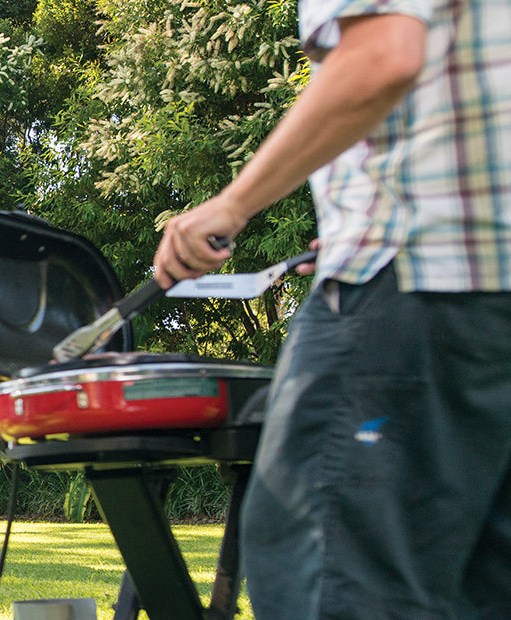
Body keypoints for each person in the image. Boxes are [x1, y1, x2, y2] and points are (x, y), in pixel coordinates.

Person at [151, 1, 511, 615]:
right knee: (475, 587)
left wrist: (234, 204)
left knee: (325, 566)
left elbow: (381, 55)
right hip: (485, 288)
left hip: (417, 280)